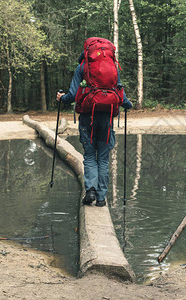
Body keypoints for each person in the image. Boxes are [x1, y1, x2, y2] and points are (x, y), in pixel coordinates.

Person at [57, 43, 132, 207]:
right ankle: (101, 198)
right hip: (107, 117)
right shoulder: (113, 66)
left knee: (90, 155)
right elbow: (121, 93)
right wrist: (128, 104)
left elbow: (72, 95)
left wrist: (61, 98)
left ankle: (90, 190)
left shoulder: (82, 66)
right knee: (103, 159)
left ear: (86, 52)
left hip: (87, 116)